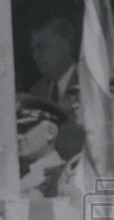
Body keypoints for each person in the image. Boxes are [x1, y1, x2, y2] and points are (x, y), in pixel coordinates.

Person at [28, 17, 84, 160]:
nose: (36, 55)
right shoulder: (36, 92)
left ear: (65, 45)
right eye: (33, 49)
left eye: (41, 46)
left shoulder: (88, 83)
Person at [16, 93, 66, 199]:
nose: (18, 137)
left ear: (50, 133)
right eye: (16, 130)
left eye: (25, 129)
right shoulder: (17, 174)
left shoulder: (62, 177)